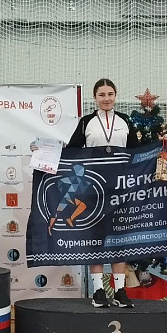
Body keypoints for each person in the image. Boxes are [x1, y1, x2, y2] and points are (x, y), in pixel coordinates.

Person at [66, 78, 139, 308]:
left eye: (110, 94)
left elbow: (139, 152)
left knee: (118, 239)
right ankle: (98, 290)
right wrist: (46, 153)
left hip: (120, 189)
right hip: (94, 189)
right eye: (102, 95)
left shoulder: (126, 121)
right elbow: (71, 152)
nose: (106, 99)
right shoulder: (86, 122)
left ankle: (119, 290)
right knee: (95, 238)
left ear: (115, 96)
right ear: (95, 98)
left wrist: (163, 144)